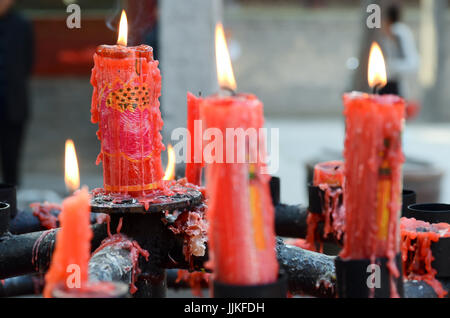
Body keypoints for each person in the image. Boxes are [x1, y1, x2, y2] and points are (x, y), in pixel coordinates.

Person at [0, 0, 34, 186]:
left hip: (13, 102)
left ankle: (11, 206)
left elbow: (28, 62)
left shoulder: (22, 25)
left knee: (11, 158)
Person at [380, 4, 419, 97]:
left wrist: (389, 65)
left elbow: (411, 62)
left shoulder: (398, 31)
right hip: (389, 82)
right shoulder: (395, 32)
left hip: (396, 83)